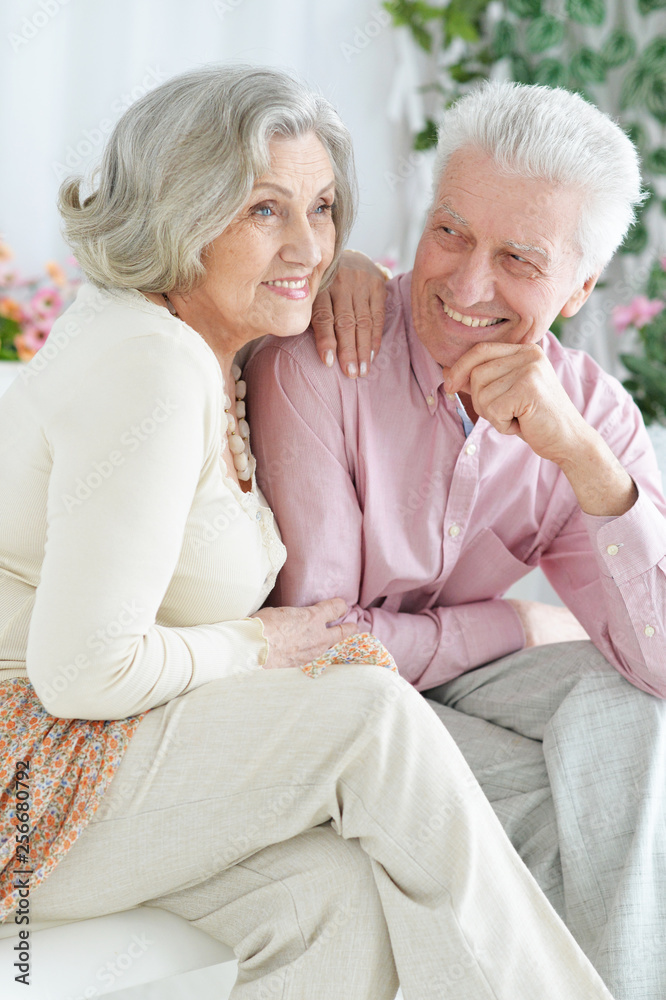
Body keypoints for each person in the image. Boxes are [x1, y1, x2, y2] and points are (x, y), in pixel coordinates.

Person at [0, 66, 617, 1000]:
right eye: (262, 211)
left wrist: (355, 271)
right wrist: (258, 642)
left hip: (103, 767)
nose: (309, 247)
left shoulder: (217, 351)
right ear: (180, 211)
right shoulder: (152, 364)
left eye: (324, 208)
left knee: (331, 900)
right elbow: (83, 672)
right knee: (365, 711)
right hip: (30, 775)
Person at [246, 80, 666, 1000]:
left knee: (635, 718)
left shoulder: (590, 412)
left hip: (442, 688)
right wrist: (512, 624)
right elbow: (326, 646)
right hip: (332, 710)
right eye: (450, 232)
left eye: (519, 257)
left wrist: (588, 466)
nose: (467, 286)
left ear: (581, 285)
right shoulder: (324, 354)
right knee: (580, 810)